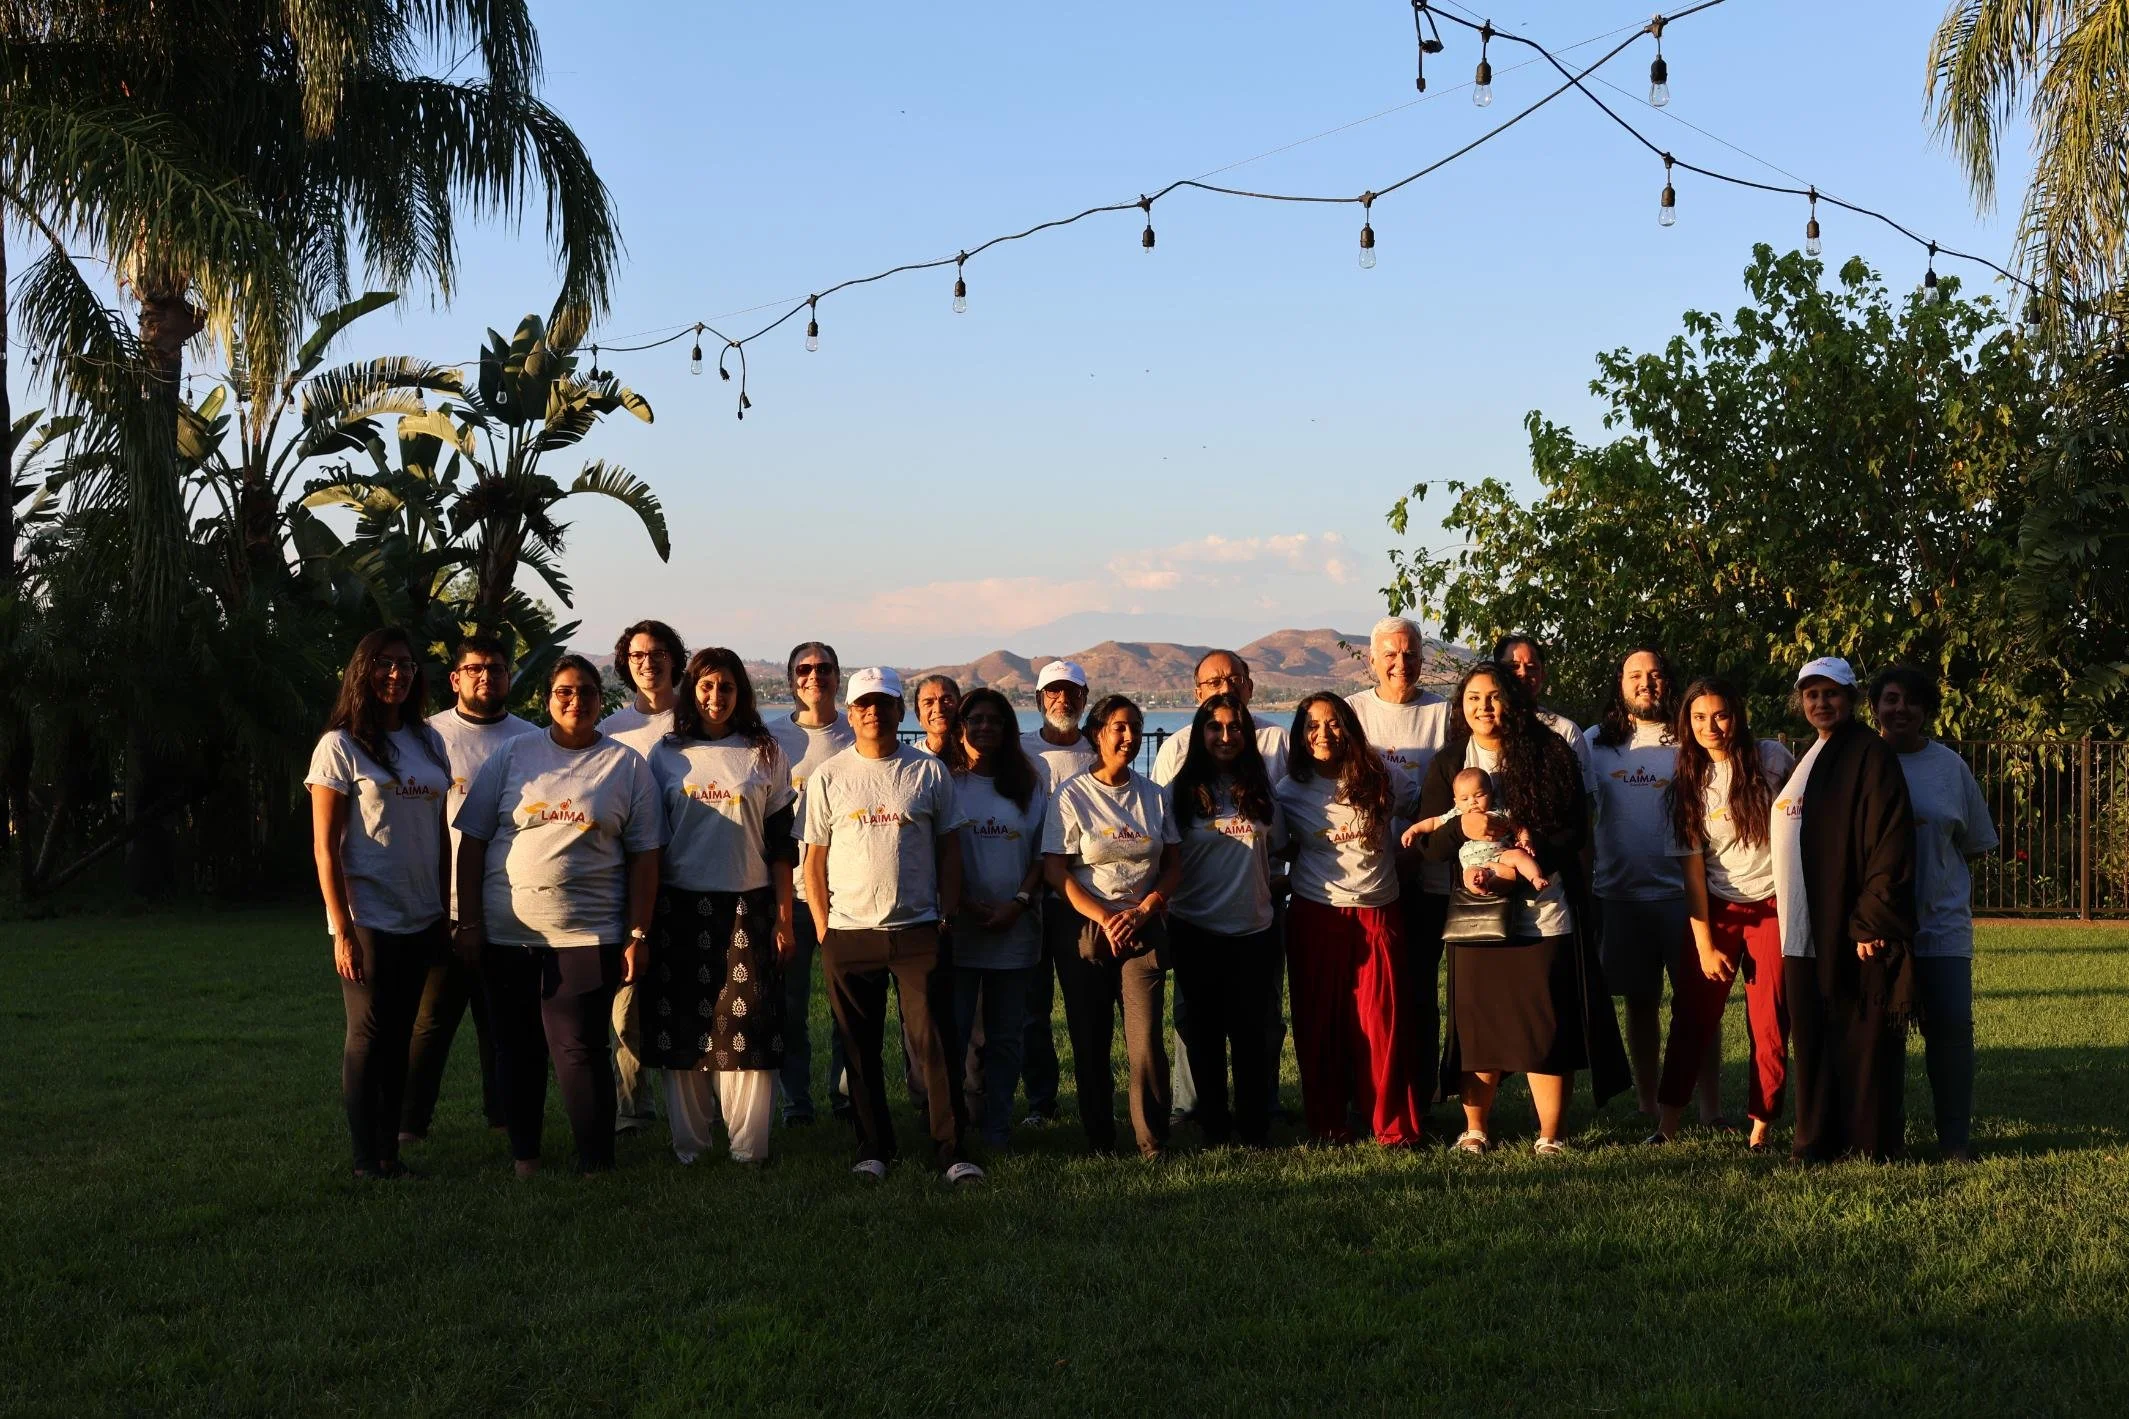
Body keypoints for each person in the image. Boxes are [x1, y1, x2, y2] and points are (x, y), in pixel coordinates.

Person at [453, 654, 661, 1176]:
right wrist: (471, 923)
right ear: (548, 699)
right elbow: (473, 843)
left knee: (579, 1049)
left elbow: (645, 857)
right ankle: (526, 1157)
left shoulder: (625, 765)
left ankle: (595, 1160)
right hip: (507, 933)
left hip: (587, 934)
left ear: (600, 698)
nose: (576, 701)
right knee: (516, 1049)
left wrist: (637, 932)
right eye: (564, 692)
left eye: (587, 692)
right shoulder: (513, 755)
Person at [1421, 662, 1629, 1154]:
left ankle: (1550, 1135)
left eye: (1494, 696)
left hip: (1542, 913)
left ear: (1513, 701)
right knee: (1478, 1024)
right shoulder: (1451, 761)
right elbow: (1428, 846)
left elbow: (1575, 831)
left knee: (1544, 1025)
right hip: (1478, 917)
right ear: (1461, 705)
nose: (1484, 706)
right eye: (1473, 697)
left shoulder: (1549, 752)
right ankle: (1475, 1129)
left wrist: (1520, 870)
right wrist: (1461, 831)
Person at [800, 667, 982, 1183]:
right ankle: (872, 1149)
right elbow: (813, 859)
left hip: (919, 929)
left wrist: (945, 913)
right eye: (864, 705)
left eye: (884, 704)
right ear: (851, 713)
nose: (873, 713)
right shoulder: (830, 775)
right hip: (848, 933)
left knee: (936, 1046)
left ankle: (951, 1151)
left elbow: (950, 850)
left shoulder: (927, 772)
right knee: (859, 1046)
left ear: (900, 712)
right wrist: (823, 928)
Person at [640, 648, 798, 1166]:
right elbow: (650, 845)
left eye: (726, 688)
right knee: (682, 1024)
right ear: (691, 691)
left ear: (741, 694)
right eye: (706, 687)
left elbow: (780, 847)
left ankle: (749, 1149)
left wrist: (783, 916)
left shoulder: (766, 754)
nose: (715, 698)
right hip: (677, 910)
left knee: (747, 1029)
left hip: (746, 909)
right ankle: (690, 1146)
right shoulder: (665, 755)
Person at [306, 627, 452, 1181]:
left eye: (407, 665)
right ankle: (367, 1160)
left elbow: (438, 835)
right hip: (368, 917)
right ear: (363, 671)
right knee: (368, 1036)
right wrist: (341, 929)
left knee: (398, 1039)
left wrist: (441, 909)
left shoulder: (427, 741)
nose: (397, 674)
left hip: (421, 915)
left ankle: (391, 1153)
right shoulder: (339, 746)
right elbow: (325, 847)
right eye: (385, 664)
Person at [1772, 656, 1917, 1164]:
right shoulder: (1813, 753)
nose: (1821, 703)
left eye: (1831, 693)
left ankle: (1868, 1143)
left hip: (1849, 926)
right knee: (1813, 1040)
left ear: (1852, 698)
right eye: (1811, 694)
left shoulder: (1868, 753)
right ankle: (1816, 1139)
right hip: (1803, 925)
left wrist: (1871, 918)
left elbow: (1888, 842)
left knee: (1861, 1036)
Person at [402, 631, 537, 1145]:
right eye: (476, 668)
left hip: (508, 910)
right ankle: (409, 1125)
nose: (487, 676)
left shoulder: (530, 740)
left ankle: (503, 1119)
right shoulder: (426, 737)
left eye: (497, 668)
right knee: (430, 1024)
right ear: (455, 678)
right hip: (444, 908)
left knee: (501, 1027)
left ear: (509, 677)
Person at [1649, 678, 1795, 1148]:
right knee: (1692, 1016)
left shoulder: (1773, 759)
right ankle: (1667, 1125)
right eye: (1698, 717)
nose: (1710, 726)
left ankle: (1761, 1126)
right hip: (1718, 908)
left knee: (1770, 1019)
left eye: (1720, 715)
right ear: (1685, 724)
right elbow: (1692, 876)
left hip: (1775, 905)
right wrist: (1705, 944)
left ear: (1737, 714)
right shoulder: (1684, 789)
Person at [1150, 648, 1291, 1125]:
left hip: (1255, 927)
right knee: (1201, 1030)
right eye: (1215, 727)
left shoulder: (1263, 787)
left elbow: (1282, 844)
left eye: (1234, 728)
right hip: (1195, 927)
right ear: (1199, 728)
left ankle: (1255, 1120)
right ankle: (1205, 1118)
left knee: (1255, 1030)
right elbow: (1164, 851)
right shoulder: (1179, 790)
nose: (1225, 736)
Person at [1276, 692, 1423, 1147]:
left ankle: (1390, 1124)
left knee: (1382, 1023)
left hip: (1379, 911)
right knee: (1320, 1023)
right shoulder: (1288, 790)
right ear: (1300, 735)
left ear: (1350, 728)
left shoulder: (1382, 775)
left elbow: (1418, 813)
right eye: (1312, 725)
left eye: (1334, 723)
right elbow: (1279, 849)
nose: (1323, 733)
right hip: (1316, 915)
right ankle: (1328, 1122)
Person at [1043, 693, 1182, 1157]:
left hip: (1143, 926)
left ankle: (1151, 1139)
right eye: (1119, 727)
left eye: (1135, 727)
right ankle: (1100, 1137)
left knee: (1145, 1042)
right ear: (1096, 735)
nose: (1129, 737)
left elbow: (1173, 865)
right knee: (1090, 1036)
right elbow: (1055, 871)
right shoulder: (1072, 797)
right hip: (1087, 929)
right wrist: (1104, 916)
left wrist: (1145, 909)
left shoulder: (1154, 796)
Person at [1587, 646, 1722, 1124]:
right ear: (1620, 684)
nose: (1646, 683)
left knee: (1700, 1005)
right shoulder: (1595, 743)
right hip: (1621, 896)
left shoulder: (1693, 737)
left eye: (1656, 674)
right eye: (1634, 675)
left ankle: (1710, 1107)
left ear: (1668, 681)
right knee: (1640, 1003)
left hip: (1689, 898)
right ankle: (1648, 1103)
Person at [1872, 664, 1996, 1161]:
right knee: (1884, 1039)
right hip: (1881, 932)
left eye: (1912, 701)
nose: (1900, 708)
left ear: (1926, 711)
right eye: (1891, 698)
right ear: (1875, 706)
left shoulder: (1951, 768)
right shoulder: (1861, 760)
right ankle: (1886, 1139)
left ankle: (1954, 1142)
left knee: (1949, 1035)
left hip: (1941, 928)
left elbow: (1973, 844)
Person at [1344, 616, 1451, 1112]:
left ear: (1422, 660)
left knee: (1420, 990)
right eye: (1389, 654)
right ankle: (1367, 1090)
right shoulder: (1352, 714)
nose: (1400, 663)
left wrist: (1418, 855)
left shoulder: (1443, 715)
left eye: (1409, 654)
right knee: (1367, 993)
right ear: (1372, 660)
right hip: (1364, 880)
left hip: (1426, 875)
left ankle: (1421, 1094)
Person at [946, 687, 1049, 1149]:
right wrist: (964, 902)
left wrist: (1020, 901)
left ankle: (998, 1128)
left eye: (995, 720)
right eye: (976, 719)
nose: (985, 727)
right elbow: (936, 852)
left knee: (1008, 1037)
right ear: (960, 727)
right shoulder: (946, 781)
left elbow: (1044, 853)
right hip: (962, 930)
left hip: (1016, 928)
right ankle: (954, 1124)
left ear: (1007, 729)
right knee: (957, 1035)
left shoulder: (1028, 784)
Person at [603, 618, 688, 1132]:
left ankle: (700, 1100)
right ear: (625, 664)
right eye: (637, 656)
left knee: (690, 992)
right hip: (625, 879)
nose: (648, 663)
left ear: (675, 659)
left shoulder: (697, 720)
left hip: (691, 876)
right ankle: (633, 1107)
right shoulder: (612, 728)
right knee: (627, 1000)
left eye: (657, 653)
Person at [767, 641, 855, 1127]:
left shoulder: (855, 733)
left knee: (847, 1005)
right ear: (790, 679)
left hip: (847, 893)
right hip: (790, 893)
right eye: (804, 668)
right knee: (790, 1007)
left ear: (838, 676)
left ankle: (845, 1095)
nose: (814, 676)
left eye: (824, 668)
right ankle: (795, 1103)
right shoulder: (773, 741)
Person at [1019, 658, 1095, 1127]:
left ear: (1085, 699)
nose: (1062, 700)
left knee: (1086, 1007)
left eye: (1071, 692)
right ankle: (1041, 1103)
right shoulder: (1021, 751)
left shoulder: (1098, 751)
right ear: (1039, 699)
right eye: (1053, 692)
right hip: (1029, 897)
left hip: (1081, 897)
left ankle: (1094, 1098)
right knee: (1032, 1010)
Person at [1493, 634, 1595, 790]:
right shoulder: (1480, 726)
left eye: (1531, 667)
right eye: (1513, 666)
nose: (1522, 673)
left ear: (1542, 675)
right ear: (1495, 672)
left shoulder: (1564, 731)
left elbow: (1586, 800)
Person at [913, 674, 964, 765]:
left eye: (946, 700)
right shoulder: (910, 762)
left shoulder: (975, 758)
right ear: (918, 714)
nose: (938, 709)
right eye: (928, 703)